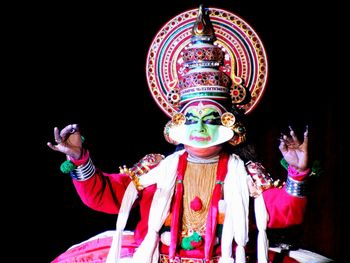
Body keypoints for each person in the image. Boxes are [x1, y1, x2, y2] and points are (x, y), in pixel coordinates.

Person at [47, 5, 323, 263]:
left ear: (230, 125)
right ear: (177, 122)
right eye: (192, 119)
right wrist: (81, 160)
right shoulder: (155, 168)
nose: (200, 129)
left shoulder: (246, 174)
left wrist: (297, 173)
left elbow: (285, 213)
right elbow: (104, 197)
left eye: (211, 119)